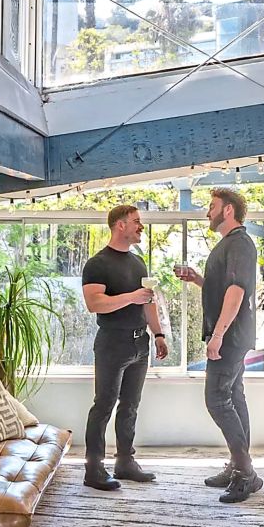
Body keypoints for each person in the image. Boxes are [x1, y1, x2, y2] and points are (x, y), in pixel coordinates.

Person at [175, 188, 262, 503]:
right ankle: (237, 468)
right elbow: (225, 287)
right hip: (232, 334)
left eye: (211, 206)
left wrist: (219, 335)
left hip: (232, 335)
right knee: (234, 398)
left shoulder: (239, 243)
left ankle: (246, 472)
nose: (206, 212)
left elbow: (237, 292)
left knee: (216, 399)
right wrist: (199, 279)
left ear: (228, 210)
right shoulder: (229, 244)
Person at [80, 204, 169, 491]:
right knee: (104, 405)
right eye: (136, 222)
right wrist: (131, 296)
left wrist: (158, 334)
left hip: (139, 343)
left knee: (130, 406)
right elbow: (95, 303)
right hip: (111, 343)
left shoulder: (138, 263)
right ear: (120, 225)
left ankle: (125, 463)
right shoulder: (97, 264)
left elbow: (147, 300)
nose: (141, 226)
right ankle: (93, 469)